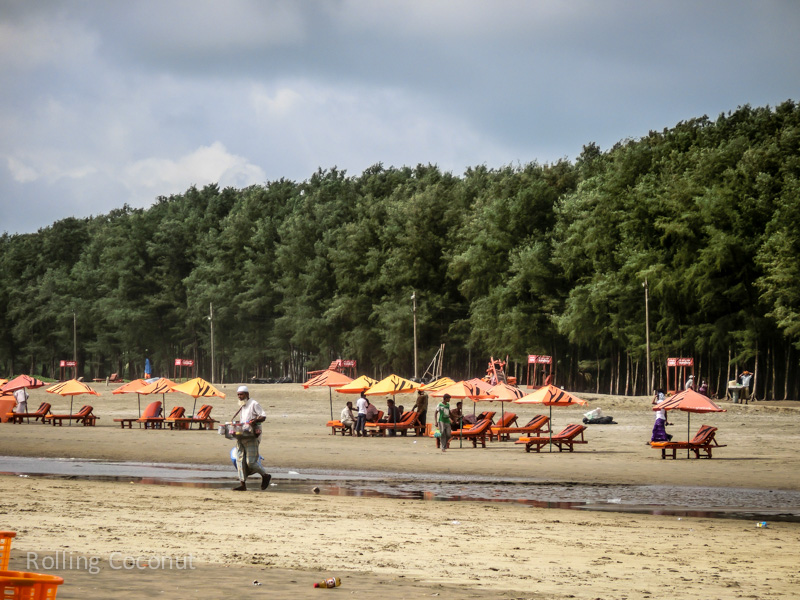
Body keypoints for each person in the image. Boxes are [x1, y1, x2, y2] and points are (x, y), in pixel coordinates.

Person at [232, 386, 271, 491]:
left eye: (242, 394)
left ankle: (265, 476)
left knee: (251, 462)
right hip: (241, 436)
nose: (240, 397)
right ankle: (243, 485)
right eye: (238, 395)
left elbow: (263, 416)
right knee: (239, 460)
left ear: (247, 394)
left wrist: (254, 420)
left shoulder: (254, 403)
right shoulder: (242, 405)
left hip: (252, 437)